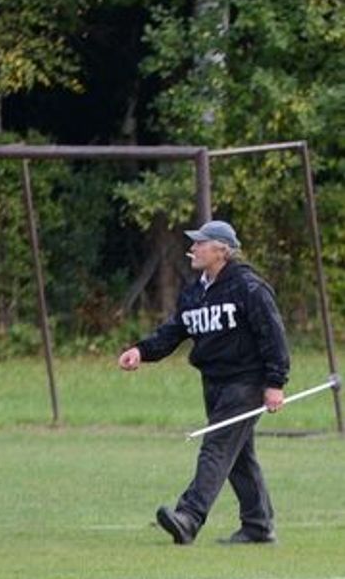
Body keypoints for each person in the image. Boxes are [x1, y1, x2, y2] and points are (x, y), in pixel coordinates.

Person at [118, 220, 289, 545]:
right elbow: (174, 331)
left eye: (200, 243)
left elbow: (273, 334)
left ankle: (188, 517)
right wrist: (141, 350)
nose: (192, 248)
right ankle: (258, 525)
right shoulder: (196, 291)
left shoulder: (248, 287)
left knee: (215, 446)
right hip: (215, 382)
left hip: (246, 382)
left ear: (221, 250)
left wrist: (274, 382)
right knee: (238, 455)